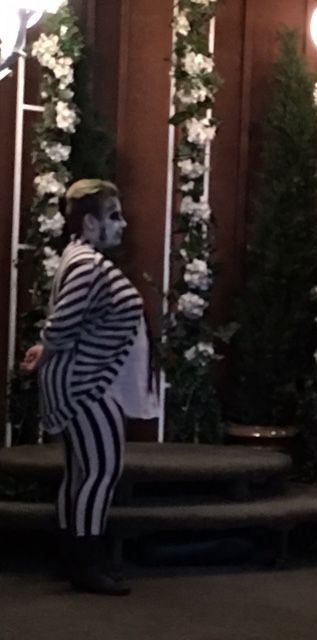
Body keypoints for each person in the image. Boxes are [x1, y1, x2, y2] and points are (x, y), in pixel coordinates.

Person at [21, 179, 158, 596]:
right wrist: (48, 346)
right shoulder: (86, 263)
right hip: (84, 384)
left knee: (83, 473)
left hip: (82, 379)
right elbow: (63, 321)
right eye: (113, 216)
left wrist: (46, 348)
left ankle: (76, 558)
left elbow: (69, 322)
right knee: (100, 472)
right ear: (89, 223)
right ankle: (86, 564)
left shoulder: (79, 258)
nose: (123, 223)